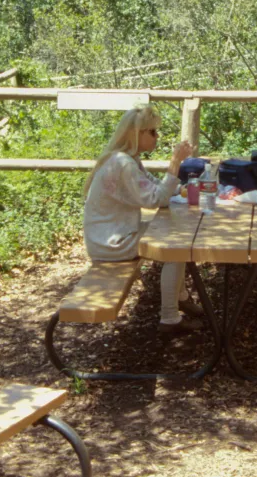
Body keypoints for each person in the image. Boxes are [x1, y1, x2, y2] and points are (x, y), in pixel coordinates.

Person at [83, 105, 202, 336]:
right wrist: (175, 163)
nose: (157, 137)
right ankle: (170, 318)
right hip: (111, 242)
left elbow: (155, 187)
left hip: (114, 235)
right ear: (137, 133)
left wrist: (179, 189)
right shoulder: (123, 164)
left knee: (176, 236)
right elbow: (156, 198)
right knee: (176, 248)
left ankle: (181, 298)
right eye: (153, 132)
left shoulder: (128, 159)